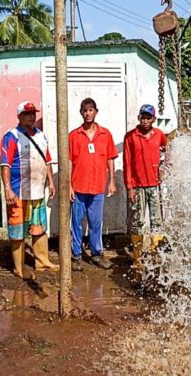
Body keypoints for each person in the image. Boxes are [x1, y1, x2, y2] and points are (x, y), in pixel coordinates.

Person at [0, 101, 59, 278]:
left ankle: (42, 261)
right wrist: (7, 189)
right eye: (27, 114)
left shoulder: (40, 135)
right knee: (18, 231)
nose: (31, 117)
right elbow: (5, 165)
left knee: (39, 227)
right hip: (19, 192)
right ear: (19, 116)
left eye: (33, 113)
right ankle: (19, 267)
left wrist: (50, 181)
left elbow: (47, 160)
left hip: (37, 191)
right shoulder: (12, 136)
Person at [69, 98, 118, 271]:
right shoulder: (74, 136)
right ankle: (76, 255)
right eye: (85, 110)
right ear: (81, 113)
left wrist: (112, 181)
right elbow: (68, 161)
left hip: (98, 186)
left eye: (91, 110)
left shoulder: (105, 134)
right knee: (76, 221)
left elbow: (111, 158)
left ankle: (97, 253)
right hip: (78, 186)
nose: (88, 113)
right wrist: (68, 185)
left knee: (96, 222)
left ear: (96, 112)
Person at [123, 104, 168, 272]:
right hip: (138, 185)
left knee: (157, 220)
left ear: (154, 119)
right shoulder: (131, 137)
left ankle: (157, 253)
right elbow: (127, 163)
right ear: (139, 117)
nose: (145, 120)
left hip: (155, 185)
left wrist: (164, 169)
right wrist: (130, 187)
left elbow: (166, 150)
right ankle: (137, 258)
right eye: (143, 117)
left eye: (148, 117)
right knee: (138, 221)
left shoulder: (159, 135)